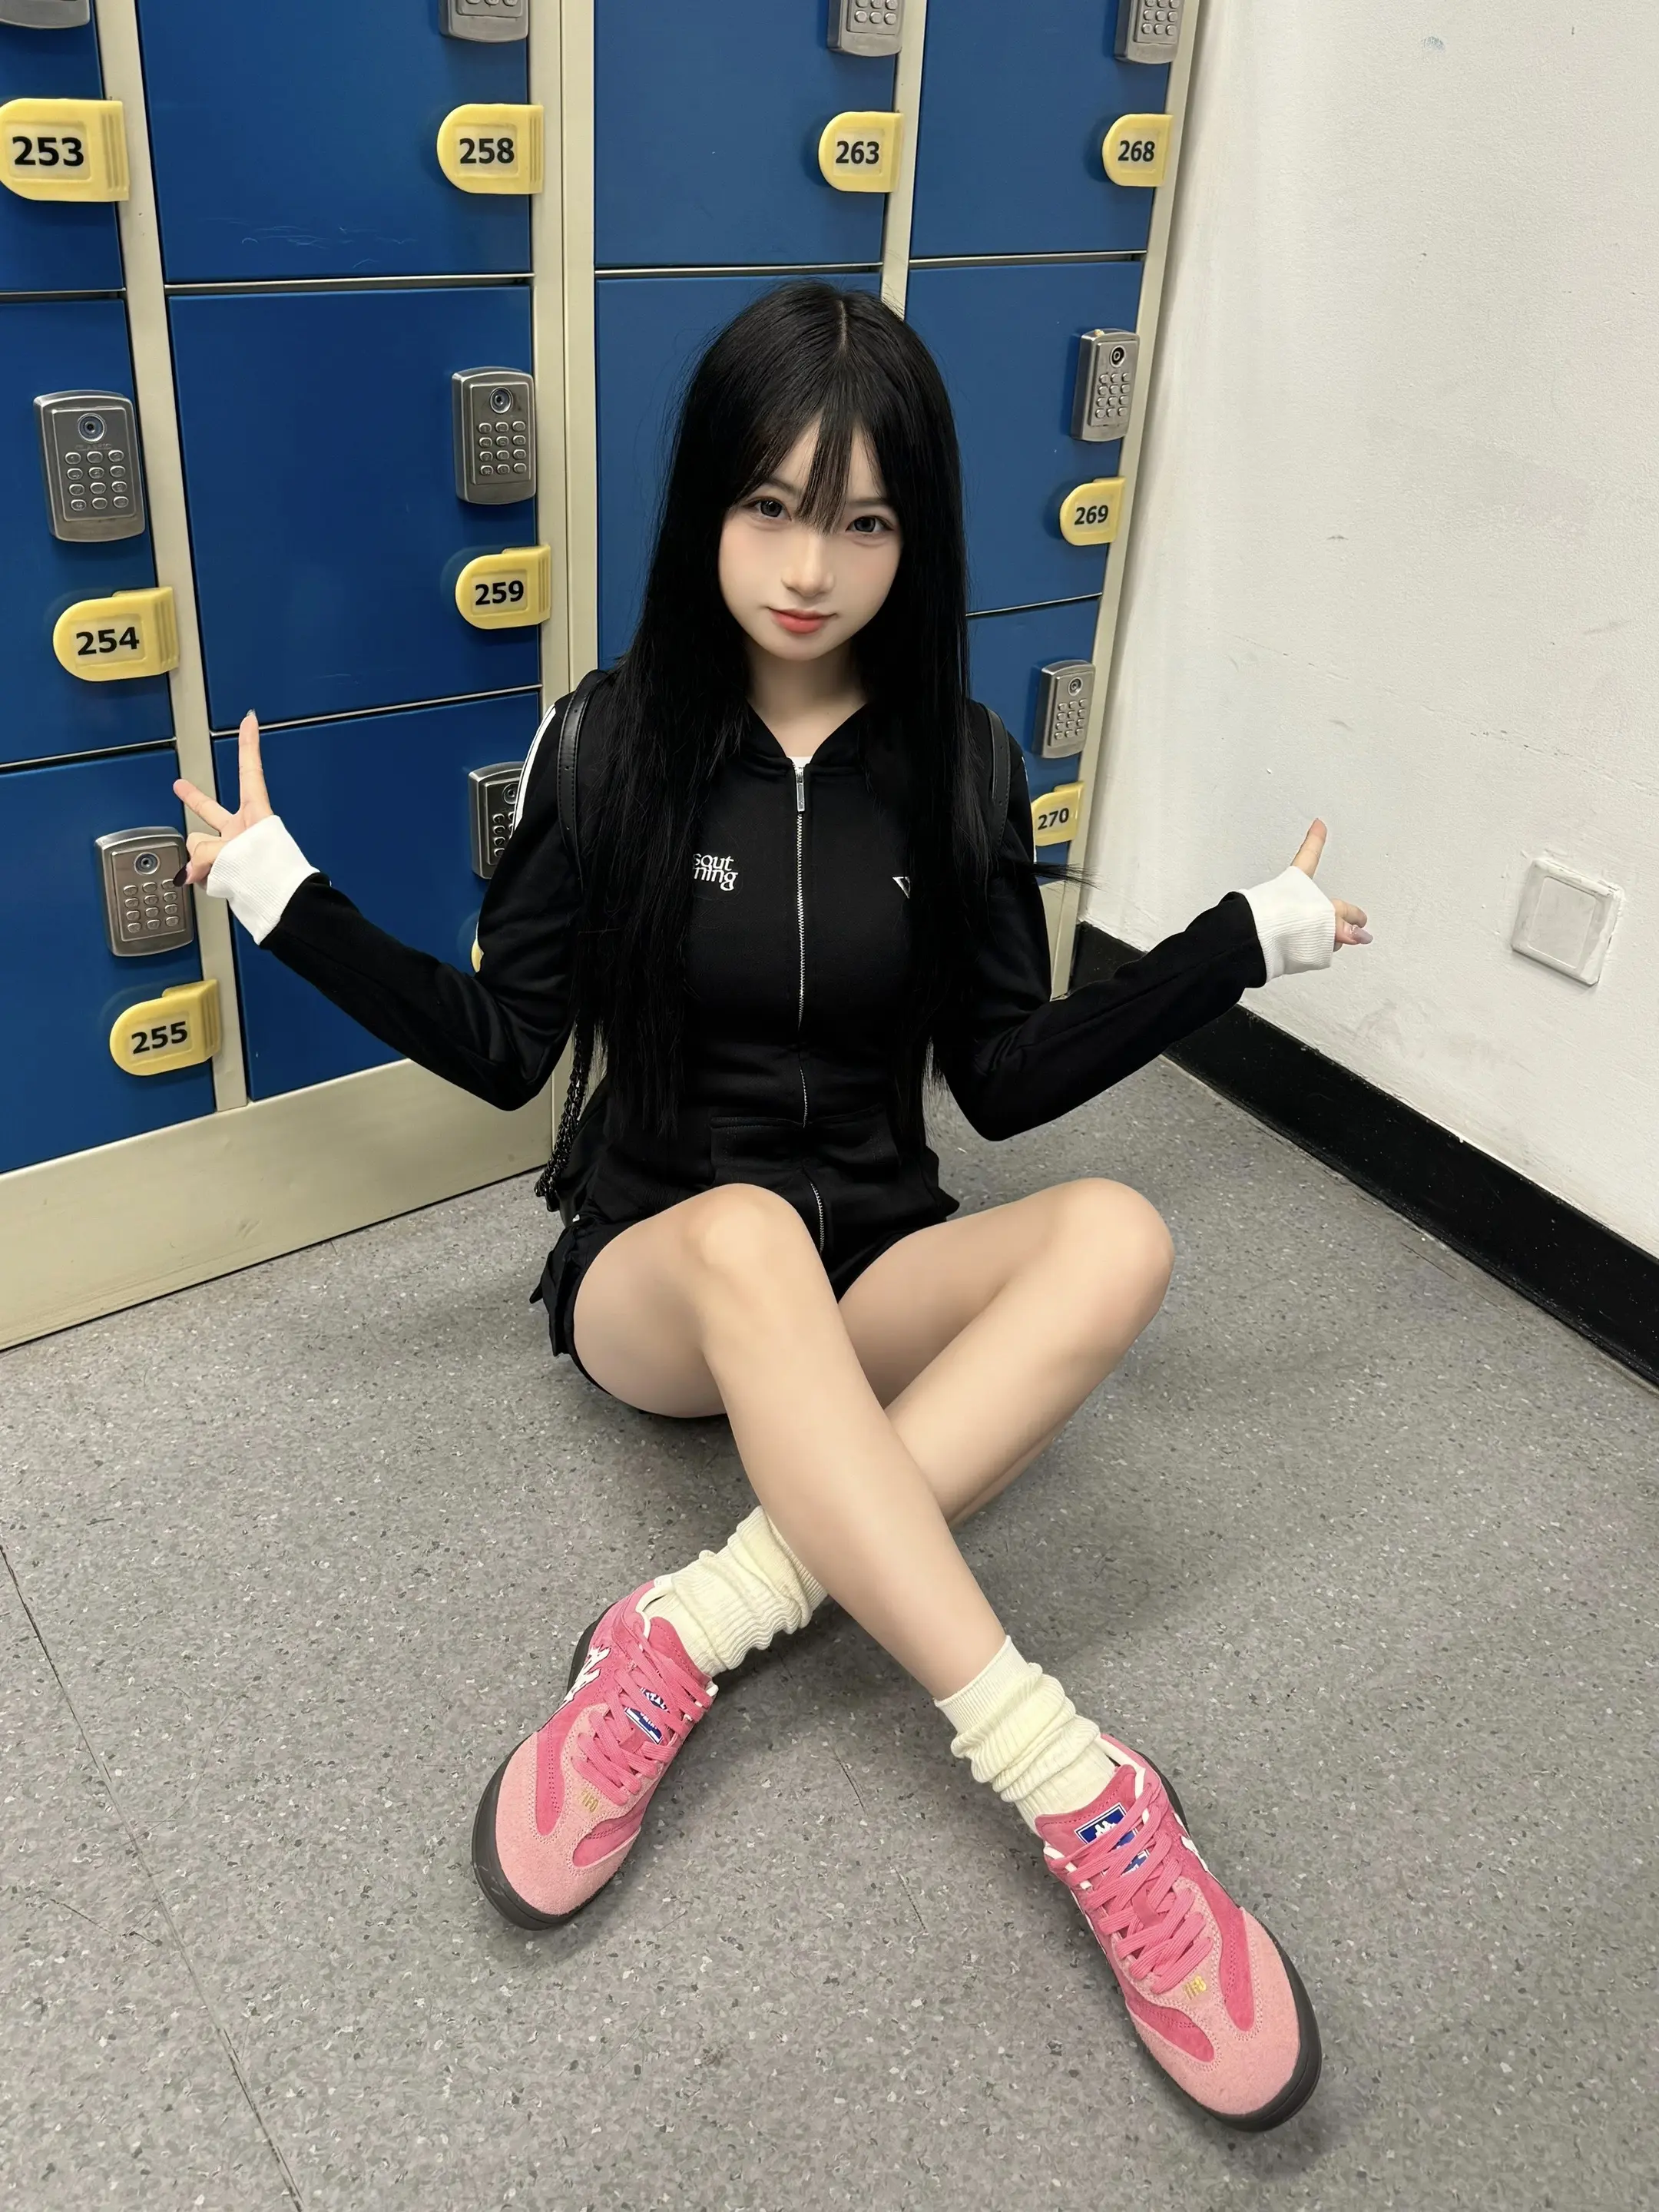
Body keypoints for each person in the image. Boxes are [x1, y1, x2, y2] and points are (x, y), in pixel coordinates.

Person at [175, 282, 1369, 2133]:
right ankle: (1073, 1783)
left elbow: (1005, 1080)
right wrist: (286, 901)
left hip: (869, 1256)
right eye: (771, 506)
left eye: (864, 520)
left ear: (917, 535)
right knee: (742, 1229)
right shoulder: (609, 742)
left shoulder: (963, 761)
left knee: (1119, 1231)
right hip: (664, 1270)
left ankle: (697, 1620)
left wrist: (1231, 946)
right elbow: (507, 1052)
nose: (811, 566)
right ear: (708, 508)